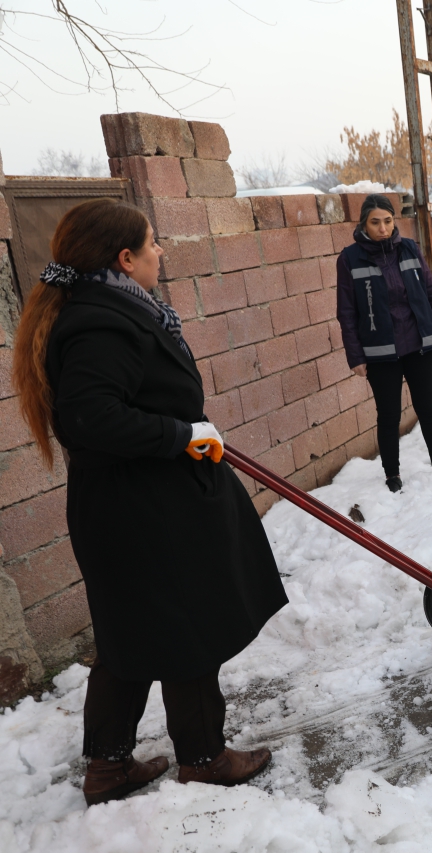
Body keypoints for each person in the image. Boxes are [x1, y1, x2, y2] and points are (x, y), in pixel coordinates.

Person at [12, 199, 285, 805]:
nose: (162, 252)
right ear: (124, 258)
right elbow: (90, 419)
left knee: (130, 634)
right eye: (153, 243)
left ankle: (107, 768)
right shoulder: (100, 322)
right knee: (185, 627)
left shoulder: (106, 310)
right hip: (145, 511)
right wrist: (181, 435)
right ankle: (204, 757)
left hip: (134, 506)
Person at [337, 194, 432, 492]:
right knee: (388, 415)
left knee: (427, 407)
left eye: (388, 221)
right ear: (364, 223)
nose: (383, 229)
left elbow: (431, 294)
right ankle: (392, 475)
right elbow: (347, 313)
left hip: (418, 343)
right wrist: (356, 357)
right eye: (375, 223)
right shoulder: (349, 258)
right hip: (379, 351)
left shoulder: (410, 249)